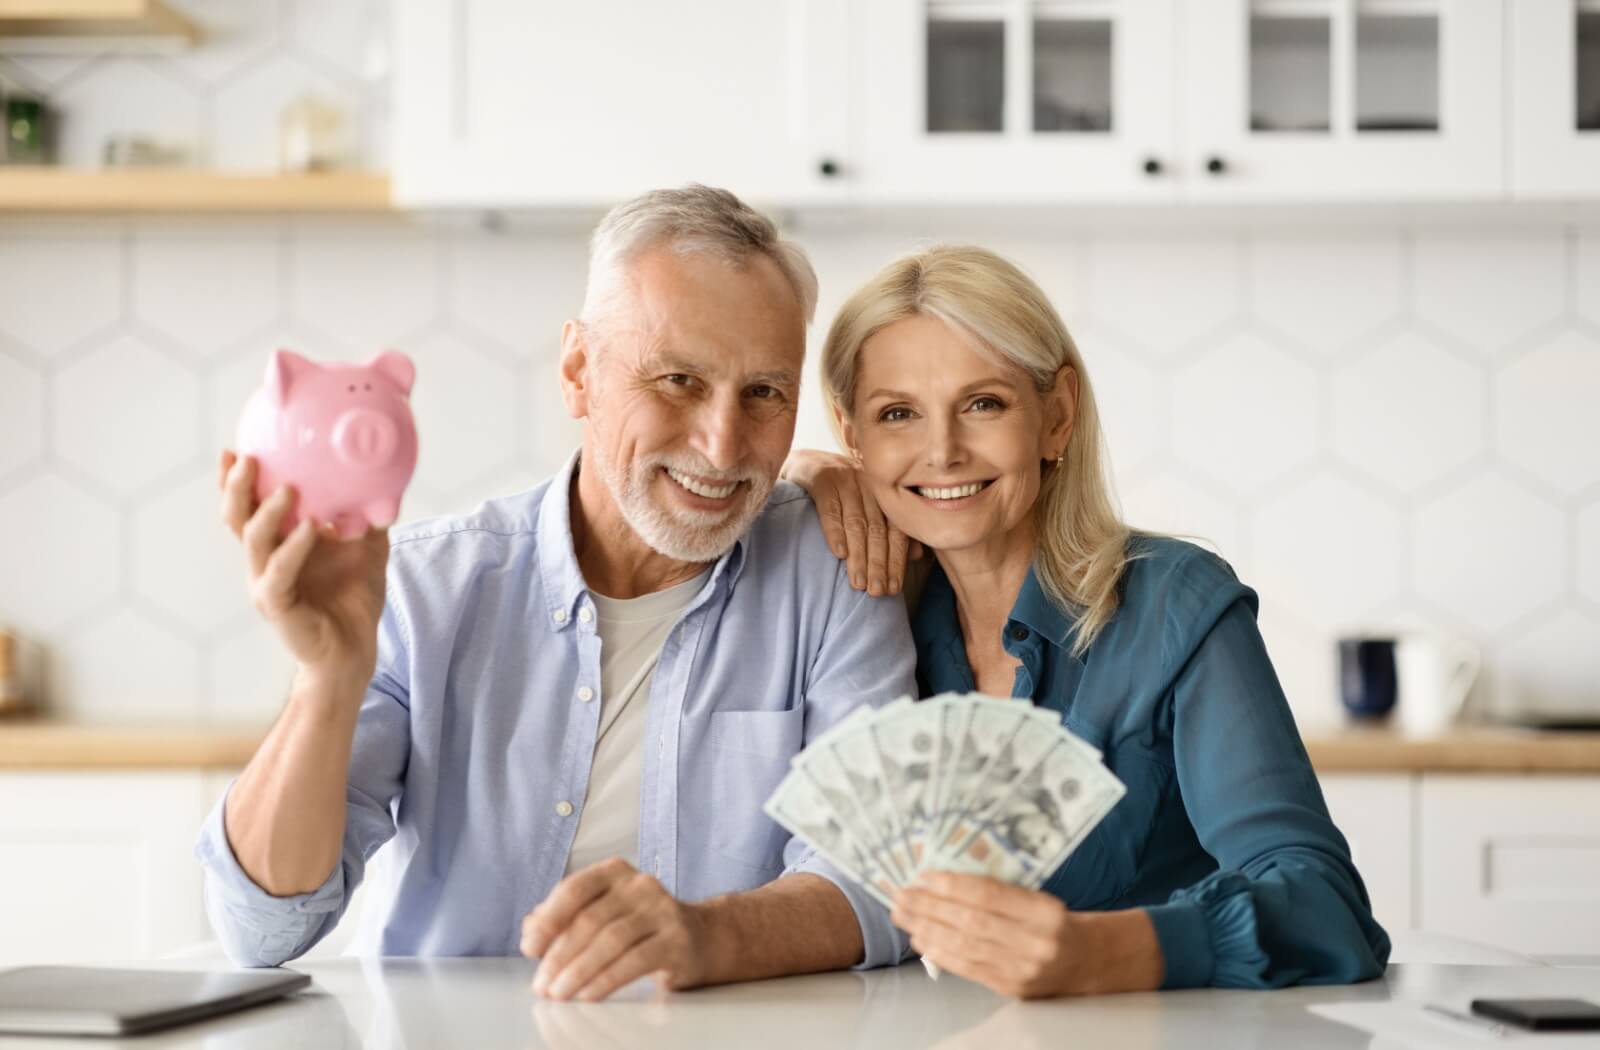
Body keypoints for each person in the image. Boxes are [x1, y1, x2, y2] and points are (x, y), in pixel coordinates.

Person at [196, 185, 918, 1001]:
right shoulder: (430, 589)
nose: (722, 446)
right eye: (678, 380)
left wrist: (706, 935)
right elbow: (263, 929)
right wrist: (328, 681)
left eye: (764, 393)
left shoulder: (835, 576)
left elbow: (881, 878)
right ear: (579, 372)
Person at [784, 244, 1390, 999]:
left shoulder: (1175, 607)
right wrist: (795, 477)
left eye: (985, 404)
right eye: (897, 414)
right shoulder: (857, 622)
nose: (941, 451)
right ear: (853, 438)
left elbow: (1326, 906)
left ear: (1057, 416)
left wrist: (1103, 951)